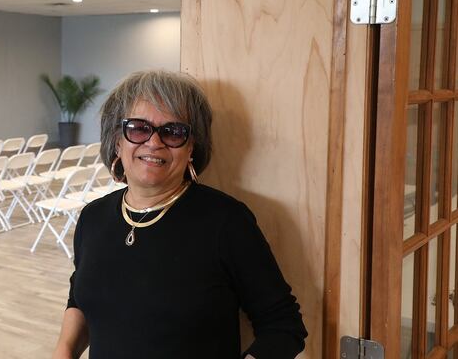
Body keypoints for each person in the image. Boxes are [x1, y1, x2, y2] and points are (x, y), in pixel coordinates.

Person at [52, 70, 307, 359]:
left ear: (191, 148)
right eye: (138, 128)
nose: (154, 142)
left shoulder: (226, 221)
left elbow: (284, 325)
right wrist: (64, 350)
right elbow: (81, 296)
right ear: (117, 141)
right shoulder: (93, 217)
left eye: (173, 132)